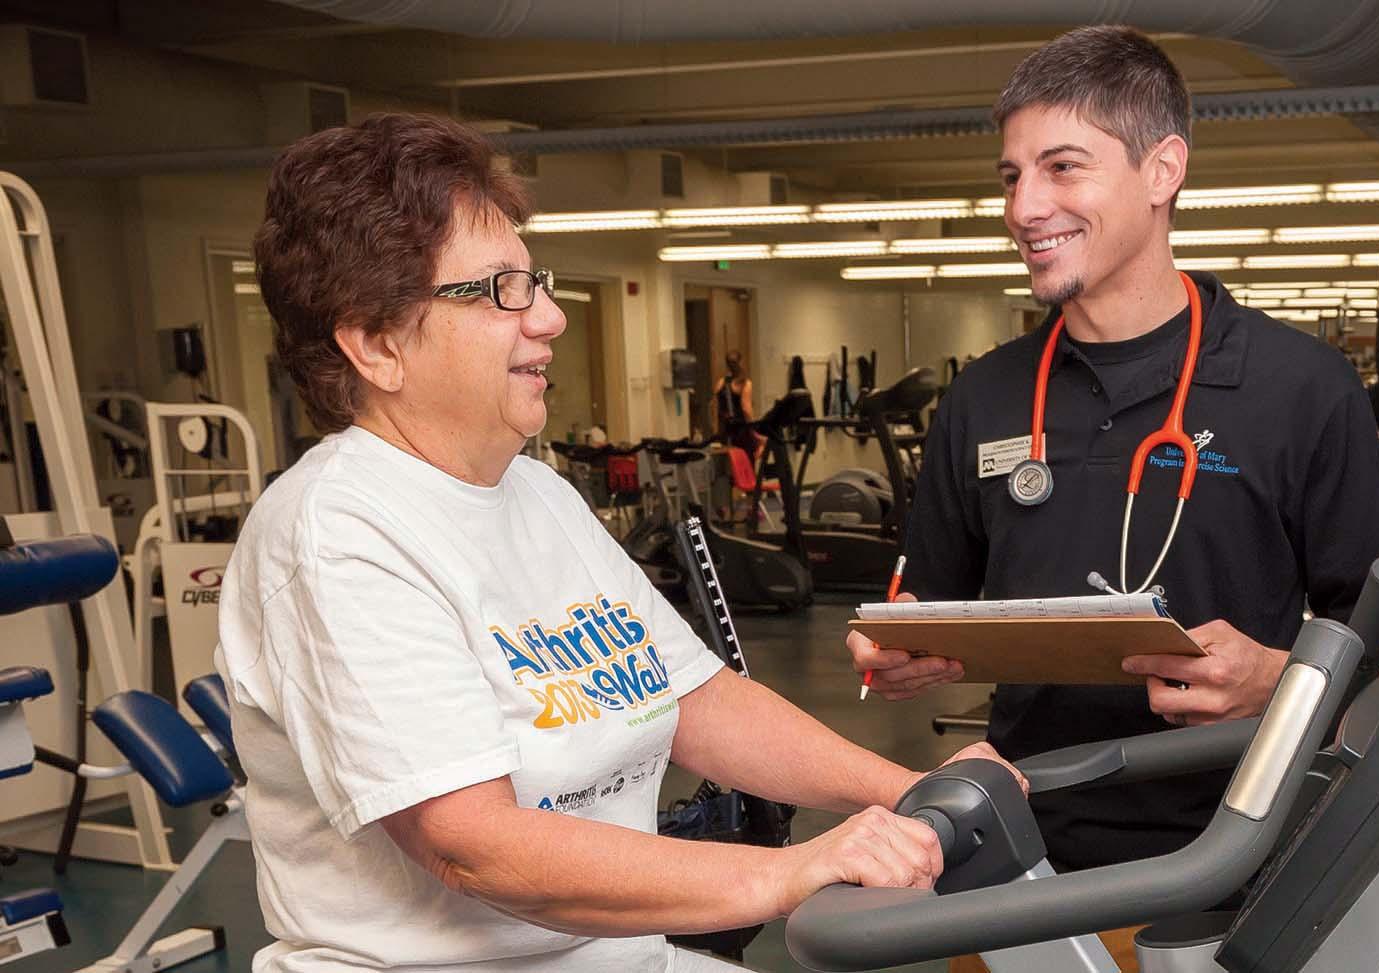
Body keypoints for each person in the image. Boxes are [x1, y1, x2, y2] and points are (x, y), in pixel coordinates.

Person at [220, 112, 1017, 973]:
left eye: (538, 283)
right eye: (500, 292)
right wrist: (792, 871)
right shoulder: (337, 534)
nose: (551, 318)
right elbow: (473, 845)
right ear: (376, 343)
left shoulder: (536, 491)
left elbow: (697, 702)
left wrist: (905, 787)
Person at [847, 26, 1379, 876]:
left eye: (1062, 166)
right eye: (1012, 176)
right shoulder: (985, 396)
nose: (1023, 208)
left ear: (1163, 171)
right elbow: (929, 595)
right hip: (1017, 851)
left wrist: (1279, 678)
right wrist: (889, 651)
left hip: (1231, 857)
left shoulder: (1299, 386)